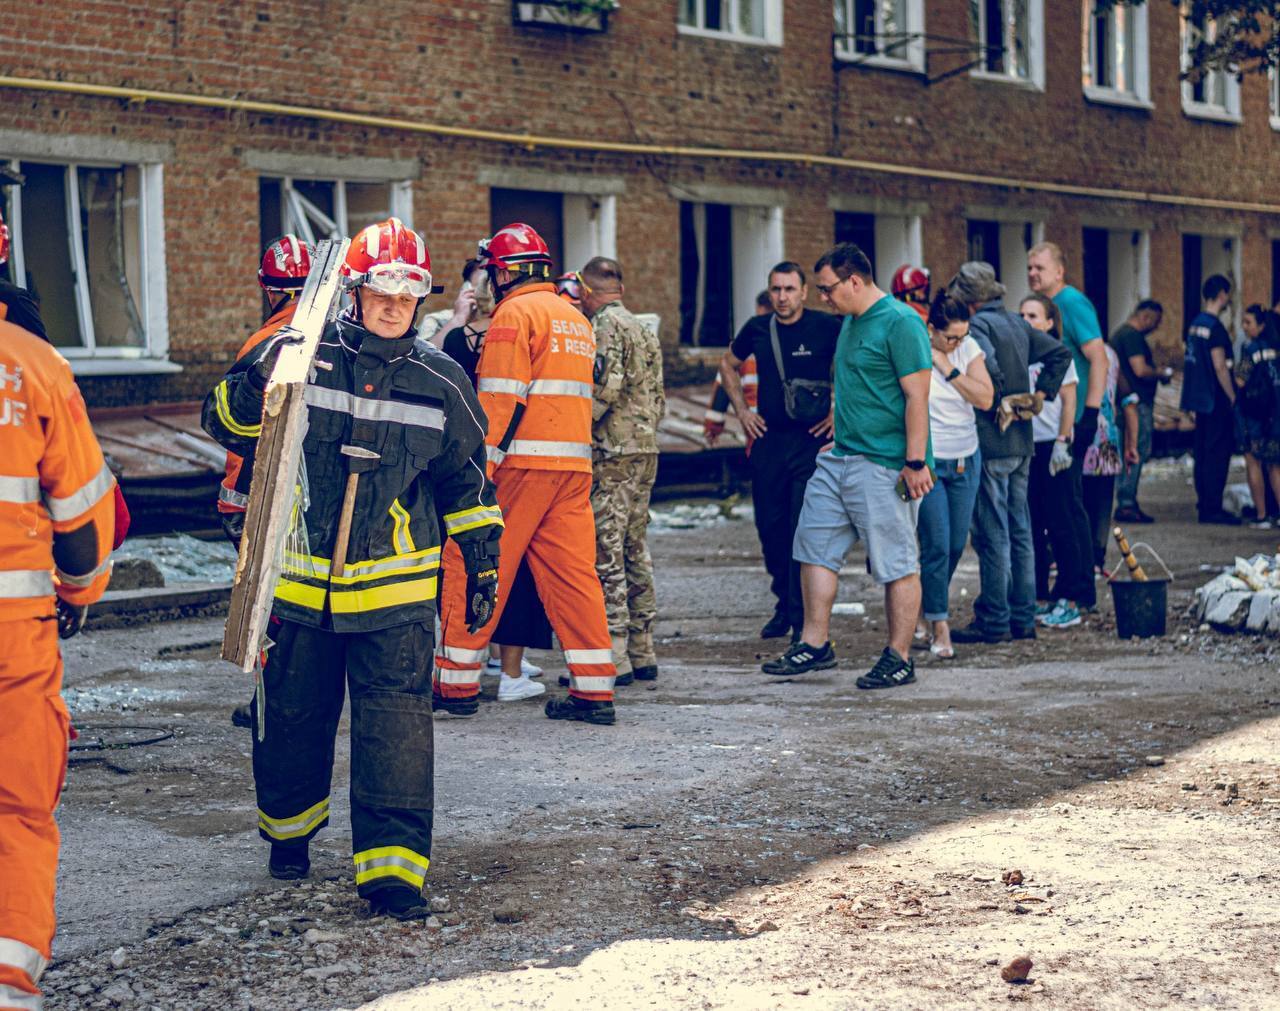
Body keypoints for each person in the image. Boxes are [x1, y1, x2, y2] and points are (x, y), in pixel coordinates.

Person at [202, 217, 502, 921]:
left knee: (395, 732)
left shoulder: (443, 381)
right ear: (355, 292)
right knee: (293, 722)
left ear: (421, 298)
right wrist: (254, 384)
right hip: (301, 587)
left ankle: (393, 876)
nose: (395, 307)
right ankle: (288, 835)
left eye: (409, 295)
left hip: (395, 596)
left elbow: (467, 481)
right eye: (382, 292)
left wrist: (482, 561)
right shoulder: (303, 354)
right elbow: (225, 423)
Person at [434, 222, 619, 726]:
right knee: (574, 578)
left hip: (520, 469)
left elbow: (498, 400)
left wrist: (480, 471)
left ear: (502, 272)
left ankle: (455, 685)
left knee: (473, 563)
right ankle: (594, 691)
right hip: (572, 469)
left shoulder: (515, 314)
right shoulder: (575, 317)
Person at [1, 316, 117, 1011]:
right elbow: (80, 520)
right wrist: (79, 593)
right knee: (16, 806)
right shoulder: (34, 364)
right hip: (15, 630)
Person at [764, 242, 933, 689]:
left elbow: (917, 397)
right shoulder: (852, 323)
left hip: (885, 463)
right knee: (813, 546)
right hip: (841, 458)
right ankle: (814, 644)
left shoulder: (900, 323)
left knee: (896, 560)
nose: (823, 298)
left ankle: (899, 657)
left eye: (827, 289)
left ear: (854, 281)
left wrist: (915, 461)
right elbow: (857, 386)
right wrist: (840, 433)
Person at [438, 259, 550, 700]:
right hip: (507, 458)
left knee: (464, 560)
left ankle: (464, 659)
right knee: (510, 565)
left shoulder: (455, 339)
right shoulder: (513, 330)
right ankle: (510, 670)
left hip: (461, 458)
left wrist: (454, 320)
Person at [948, 262, 1071, 645]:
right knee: (1020, 529)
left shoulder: (979, 327)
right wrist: (1038, 397)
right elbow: (1060, 354)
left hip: (991, 438)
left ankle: (996, 620)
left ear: (968, 299)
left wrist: (998, 399)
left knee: (993, 532)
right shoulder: (1018, 323)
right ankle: (1023, 618)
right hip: (1022, 440)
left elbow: (990, 374)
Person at [719, 263, 841, 642]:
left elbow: (856, 364)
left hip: (811, 443)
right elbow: (727, 364)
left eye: (789, 289)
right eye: (776, 289)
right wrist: (741, 411)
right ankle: (783, 605)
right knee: (770, 530)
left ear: (804, 291)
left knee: (801, 530)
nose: (783, 297)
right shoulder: (757, 329)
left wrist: (840, 411)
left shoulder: (827, 326)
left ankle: (801, 616)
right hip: (769, 441)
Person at [221, 236, 313, 732]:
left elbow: (229, 425)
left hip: (253, 496)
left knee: (268, 604)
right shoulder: (334, 337)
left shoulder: (263, 344)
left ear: (269, 288)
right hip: (302, 497)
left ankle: (271, 701)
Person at [581, 256, 666, 685]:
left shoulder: (606, 327)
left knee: (605, 549)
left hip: (612, 450)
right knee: (636, 547)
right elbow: (659, 395)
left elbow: (605, 389)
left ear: (586, 289)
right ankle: (643, 646)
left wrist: (575, 426)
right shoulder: (644, 329)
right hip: (646, 447)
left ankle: (613, 653)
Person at [915, 293, 993, 658]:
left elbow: (985, 398)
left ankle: (922, 606)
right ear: (932, 329)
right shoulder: (915, 347)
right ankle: (940, 626)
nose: (959, 343)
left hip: (966, 460)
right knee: (936, 544)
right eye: (951, 338)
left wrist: (948, 364)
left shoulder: (966, 348)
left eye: (963, 336)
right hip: (929, 461)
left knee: (955, 545)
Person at [1020, 294, 1094, 629]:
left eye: (1033, 315)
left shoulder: (1057, 355)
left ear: (1049, 322)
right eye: (1021, 314)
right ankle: (1039, 595)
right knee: (1033, 523)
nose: (1026, 321)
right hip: (1027, 446)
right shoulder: (1020, 354)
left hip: (1055, 446)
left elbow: (1069, 401)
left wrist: (1064, 442)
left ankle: (1071, 596)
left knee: (1063, 522)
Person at [1027, 243, 1112, 473]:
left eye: (1039, 268)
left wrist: (1091, 413)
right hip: (1053, 420)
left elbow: (1099, 358)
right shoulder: (1041, 306)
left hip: (1077, 415)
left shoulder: (1071, 302)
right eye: (1029, 268)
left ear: (1059, 272)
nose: (1032, 273)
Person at [1180, 274, 1239, 524]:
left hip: (1198, 399)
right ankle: (1212, 507)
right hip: (1215, 400)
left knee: (1202, 452)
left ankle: (1204, 500)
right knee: (1216, 454)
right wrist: (1233, 395)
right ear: (1222, 294)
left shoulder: (1195, 324)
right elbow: (1219, 366)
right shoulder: (1214, 327)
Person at [1110, 300, 1171, 524]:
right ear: (1145, 316)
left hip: (1126, 402)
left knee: (1129, 448)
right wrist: (1161, 373)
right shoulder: (1132, 336)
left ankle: (1125, 500)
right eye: (1155, 321)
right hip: (1134, 404)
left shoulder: (1120, 334)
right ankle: (1127, 502)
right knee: (1135, 449)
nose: (1156, 326)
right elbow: (1140, 369)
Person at [703, 291, 768, 448]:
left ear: (760, 309)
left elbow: (723, 383)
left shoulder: (744, 346)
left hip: (755, 426)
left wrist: (713, 425)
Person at [1235, 304, 1280, 527]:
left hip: (1255, 415)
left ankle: (1262, 515)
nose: (1244, 327)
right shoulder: (1276, 347)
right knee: (1275, 466)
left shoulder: (1251, 350)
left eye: (1248, 323)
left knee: (1254, 461)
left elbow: (1240, 381)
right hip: (1276, 415)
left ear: (1261, 325)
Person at [1081, 342, 1124, 571]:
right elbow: (1126, 396)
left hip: (1084, 434)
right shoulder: (1111, 353)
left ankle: (1087, 556)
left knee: (1080, 499)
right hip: (1107, 436)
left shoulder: (1074, 350)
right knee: (1102, 500)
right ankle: (1097, 556)